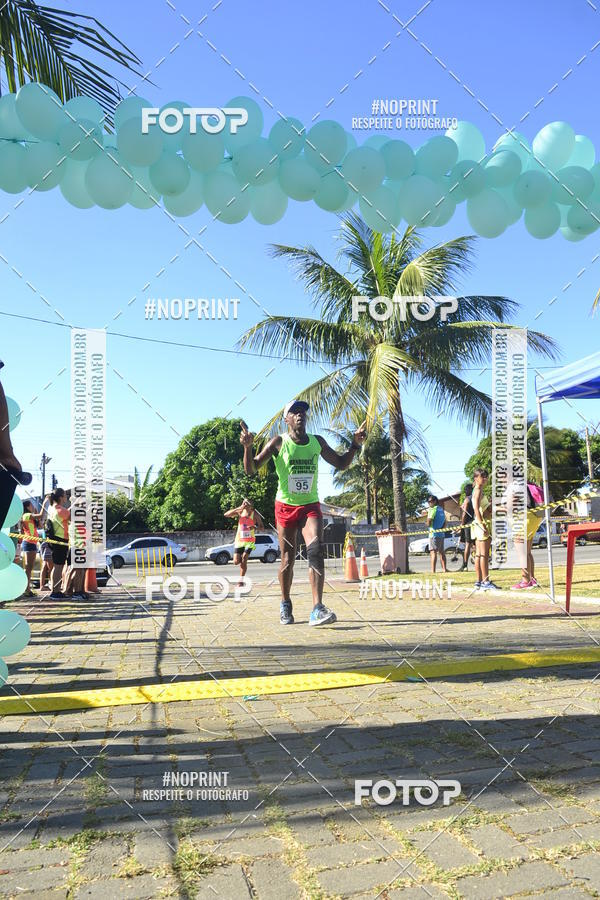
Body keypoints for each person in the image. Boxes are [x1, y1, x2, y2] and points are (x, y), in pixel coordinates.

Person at [241, 400, 367, 625]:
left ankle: (317, 608)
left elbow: (341, 464)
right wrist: (248, 448)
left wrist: (355, 445)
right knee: (287, 558)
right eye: (295, 413)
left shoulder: (317, 442)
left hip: (310, 505)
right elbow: (251, 469)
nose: (300, 416)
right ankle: (285, 603)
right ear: (286, 419)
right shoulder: (279, 443)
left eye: (303, 413)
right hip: (286, 507)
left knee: (316, 550)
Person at [512, 482, 545, 590]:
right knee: (527, 552)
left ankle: (525, 581)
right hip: (534, 518)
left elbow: (511, 505)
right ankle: (532, 579)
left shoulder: (514, 486)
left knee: (521, 552)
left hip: (524, 519)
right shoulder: (529, 485)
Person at [471, 468, 500, 591]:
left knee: (479, 554)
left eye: (485, 476)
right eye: (482, 476)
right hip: (481, 524)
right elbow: (476, 510)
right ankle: (485, 581)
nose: (484, 479)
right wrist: (483, 526)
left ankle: (478, 581)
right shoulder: (477, 490)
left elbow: (486, 508)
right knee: (483, 555)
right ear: (476, 478)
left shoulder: (480, 490)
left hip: (480, 524)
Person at [224, 498, 264, 586]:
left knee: (244, 557)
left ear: (251, 505)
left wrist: (254, 527)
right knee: (236, 562)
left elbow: (262, 527)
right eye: (244, 502)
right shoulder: (240, 512)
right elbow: (226, 514)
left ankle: (241, 581)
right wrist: (239, 507)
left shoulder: (255, 514)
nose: (245, 503)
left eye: (247, 502)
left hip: (250, 540)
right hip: (239, 540)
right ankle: (241, 576)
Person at [46, 488, 70, 600]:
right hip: (61, 540)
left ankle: (54, 590)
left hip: (54, 539)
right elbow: (73, 517)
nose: (67, 497)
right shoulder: (61, 510)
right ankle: (55, 591)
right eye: (65, 495)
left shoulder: (51, 508)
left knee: (57, 566)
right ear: (61, 497)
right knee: (59, 566)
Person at [20, 499, 43, 597]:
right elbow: (41, 515)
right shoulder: (26, 515)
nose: (33, 506)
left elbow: (41, 525)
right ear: (27, 507)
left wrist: (36, 512)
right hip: (28, 542)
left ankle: (27, 589)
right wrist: (44, 504)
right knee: (28, 568)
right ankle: (26, 589)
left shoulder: (31, 517)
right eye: (32, 505)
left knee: (30, 567)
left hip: (32, 543)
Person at [427, 495, 447, 574]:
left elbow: (429, 521)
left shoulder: (432, 509)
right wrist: (442, 529)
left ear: (435, 501)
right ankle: (444, 569)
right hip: (441, 534)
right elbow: (445, 522)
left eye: (431, 501)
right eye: (428, 502)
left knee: (433, 552)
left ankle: (433, 571)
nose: (429, 503)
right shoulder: (441, 509)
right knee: (442, 552)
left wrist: (427, 524)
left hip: (433, 534)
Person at [460, 483, 475, 570]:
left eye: (466, 490)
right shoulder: (476, 498)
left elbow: (464, 513)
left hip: (468, 524)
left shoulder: (467, 499)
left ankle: (465, 565)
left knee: (468, 544)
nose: (465, 491)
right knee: (476, 544)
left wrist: (462, 524)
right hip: (475, 522)